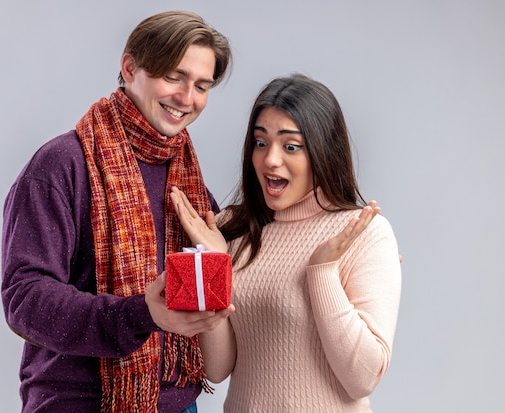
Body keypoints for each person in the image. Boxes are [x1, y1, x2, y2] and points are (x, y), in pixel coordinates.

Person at [1, 11, 234, 413]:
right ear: (130, 68)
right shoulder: (61, 165)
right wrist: (142, 314)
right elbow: (25, 299)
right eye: (174, 76)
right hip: (78, 404)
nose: (186, 97)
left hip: (179, 405)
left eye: (201, 85)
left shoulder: (187, 178)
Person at [169, 73, 402, 412]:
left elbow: (362, 378)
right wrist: (215, 262)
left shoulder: (365, 233)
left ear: (324, 151)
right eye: (261, 142)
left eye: (290, 146)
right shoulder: (230, 229)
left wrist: (322, 272)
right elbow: (216, 370)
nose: (270, 159)